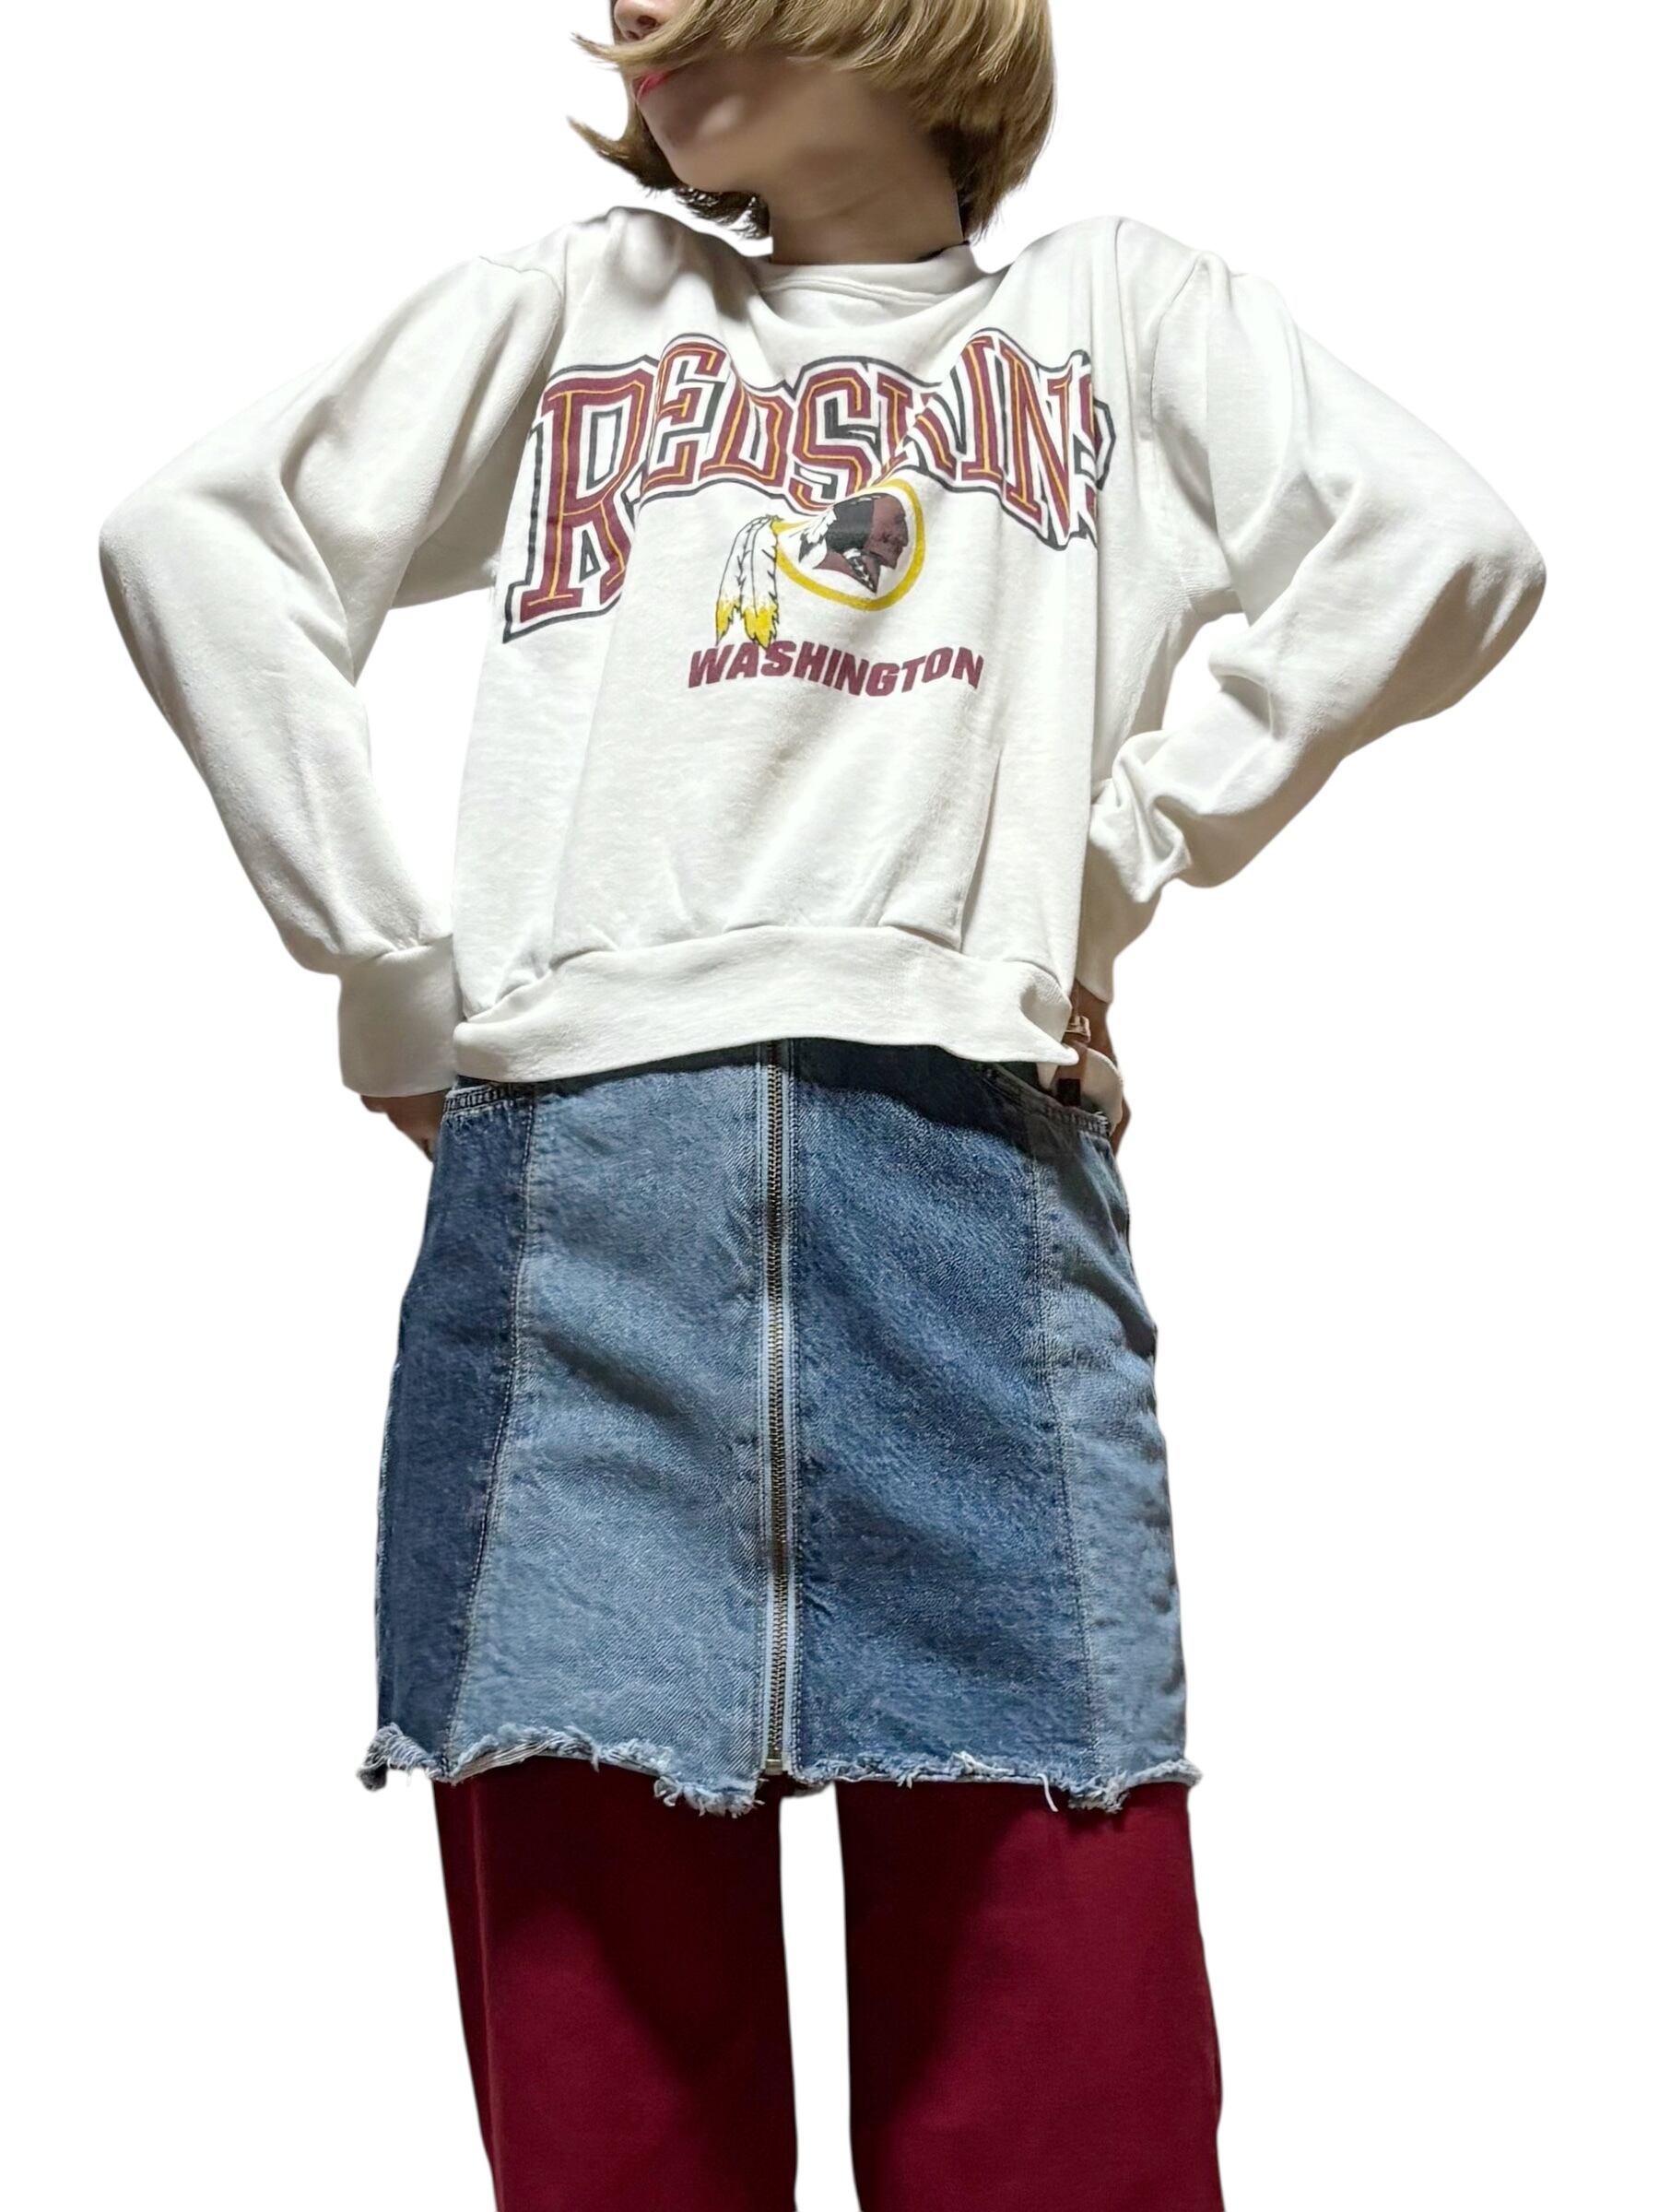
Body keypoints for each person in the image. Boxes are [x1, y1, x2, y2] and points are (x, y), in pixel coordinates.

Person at [97, 1, 1547, 2205]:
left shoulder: (1119, 316)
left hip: (963, 1196)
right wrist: (385, 962)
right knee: (613, 2107)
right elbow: (198, 535)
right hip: (584, 1219)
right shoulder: (583, 305)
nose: (641, 18)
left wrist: (1112, 853)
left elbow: (1442, 546)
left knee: (1063, 2083)